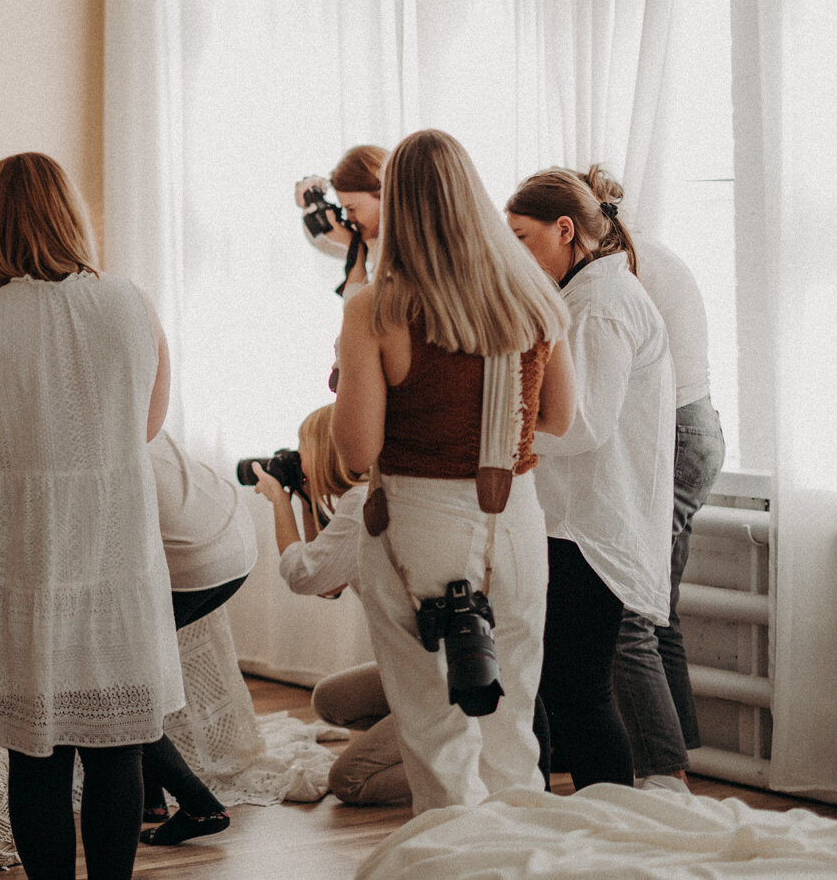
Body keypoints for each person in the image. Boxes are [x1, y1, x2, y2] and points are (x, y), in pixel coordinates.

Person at [0, 152, 181, 880]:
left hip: (27, 558)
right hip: (114, 554)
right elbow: (145, 425)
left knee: (35, 757)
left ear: (0, 227)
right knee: (118, 751)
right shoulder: (133, 304)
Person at [332, 129, 574, 814]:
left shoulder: (376, 308)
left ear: (398, 205)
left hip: (416, 526)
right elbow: (559, 416)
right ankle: (524, 851)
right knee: (512, 725)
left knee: (436, 736)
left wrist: (354, 376)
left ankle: (457, 853)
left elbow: (356, 451)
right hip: (514, 520)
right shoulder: (533, 295)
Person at [505, 166, 676, 794]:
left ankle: (614, 823)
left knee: (579, 692)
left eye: (521, 239)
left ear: (565, 229)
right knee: (562, 688)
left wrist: (499, 436)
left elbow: (584, 425)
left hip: (588, 527)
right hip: (576, 519)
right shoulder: (586, 295)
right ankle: (588, 819)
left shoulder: (600, 306)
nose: (514, 254)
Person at [572, 173, 728, 788]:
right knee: (656, 609)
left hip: (674, 435)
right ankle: (673, 760)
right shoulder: (645, 252)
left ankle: (663, 772)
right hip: (701, 428)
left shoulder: (616, 273)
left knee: (625, 610)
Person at [253, 404, 410, 806]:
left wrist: (279, 502)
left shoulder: (361, 503)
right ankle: (424, 740)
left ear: (325, 452)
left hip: (434, 676)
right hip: (412, 665)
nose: (299, 459)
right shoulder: (362, 497)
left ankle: (467, 760)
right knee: (330, 699)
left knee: (349, 781)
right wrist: (306, 501)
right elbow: (328, 584)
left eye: (304, 448)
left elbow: (302, 575)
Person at [139, 427, 257, 845]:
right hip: (234, 535)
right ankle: (150, 799)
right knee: (134, 671)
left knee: (113, 688)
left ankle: (199, 806)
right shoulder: (128, 403)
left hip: (196, 556)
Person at [294, 143, 389, 293]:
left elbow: (358, 306)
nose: (349, 218)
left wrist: (355, 250)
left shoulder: (408, 252)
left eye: (351, 209)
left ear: (384, 195)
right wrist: (312, 206)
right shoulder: (380, 241)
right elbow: (326, 243)